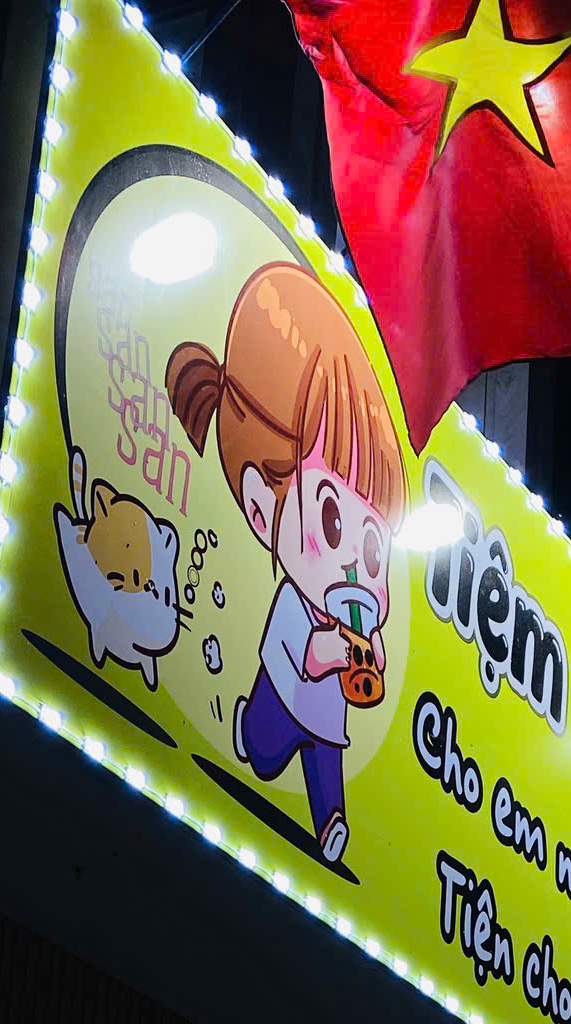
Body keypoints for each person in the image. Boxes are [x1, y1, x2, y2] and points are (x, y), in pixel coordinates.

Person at [167, 261, 406, 872]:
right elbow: (303, 655)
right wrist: (330, 652)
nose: (356, 563)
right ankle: (247, 728)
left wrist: (369, 655)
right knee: (267, 750)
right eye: (333, 520)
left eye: (374, 548)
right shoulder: (295, 605)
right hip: (283, 691)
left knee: (327, 761)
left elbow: (362, 670)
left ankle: (332, 823)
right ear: (258, 505)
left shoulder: (350, 615)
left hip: (327, 714)